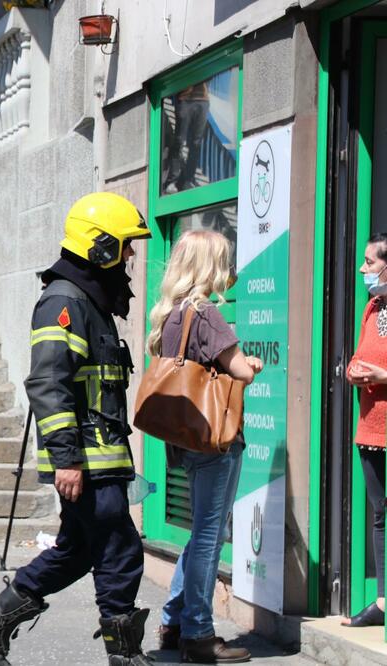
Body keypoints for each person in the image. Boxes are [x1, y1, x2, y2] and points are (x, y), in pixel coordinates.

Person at [0, 193, 153, 666]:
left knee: (78, 550)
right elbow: (48, 383)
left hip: (97, 457)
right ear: (99, 246)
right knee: (119, 550)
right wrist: (67, 458)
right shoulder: (64, 302)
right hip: (85, 459)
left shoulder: (88, 300)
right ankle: (124, 657)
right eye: (125, 245)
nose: (130, 255)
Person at [146, 230, 260, 663]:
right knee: (209, 538)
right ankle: (197, 633)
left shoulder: (171, 313)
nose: (229, 269)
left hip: (187, 437)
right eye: (224, 260)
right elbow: (239, 371)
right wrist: (251, 363)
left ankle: (174, 622)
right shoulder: (206, 312)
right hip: (216, 438)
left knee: (200, 535)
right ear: (211, 265)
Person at [343, 233, 387, 628]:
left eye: (370, 262)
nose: (362, 269)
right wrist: (354, 371)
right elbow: (360, 354)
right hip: (370, 428)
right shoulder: (372, 307)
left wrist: (383, 376)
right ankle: (383, 602)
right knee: (380, 514)